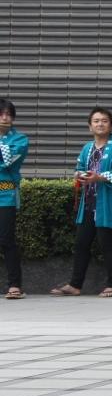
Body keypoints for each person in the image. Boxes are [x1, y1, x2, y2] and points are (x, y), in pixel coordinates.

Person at [51, 107, 112, 297]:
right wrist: (80, 175)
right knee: (81, 244)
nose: (100, 124)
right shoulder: (87, 148)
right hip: (88, 203)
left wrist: (99, 177)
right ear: (90, 126)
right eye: (96, 121)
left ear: (111, 125)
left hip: (108, 203)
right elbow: (79, 167)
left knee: (108, 244)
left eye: (104, 121)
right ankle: (75, 285)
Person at [0, 99, 29, 299]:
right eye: (1, 113)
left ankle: (15, 284)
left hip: (6, 194)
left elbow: (7, 161)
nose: (5, 118)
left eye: (9, 114)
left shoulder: (19, 139)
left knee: (6, 239)